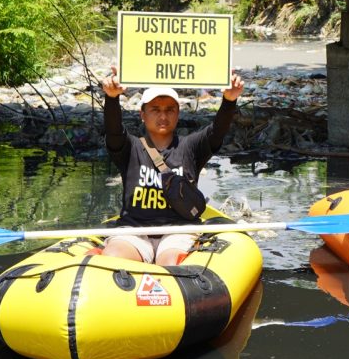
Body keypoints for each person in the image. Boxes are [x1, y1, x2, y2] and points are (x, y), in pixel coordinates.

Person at [99, 66, 244, 265]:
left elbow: (217, 131)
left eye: (170, 110)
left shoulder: (191, 147)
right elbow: (113, 131)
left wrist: (229, 100)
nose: (163, 116)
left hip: (178, 232)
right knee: (112, 258)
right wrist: (112, 98)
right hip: (135, 232)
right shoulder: (129, 147)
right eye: (155, 110)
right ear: (142, 114)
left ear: (178, 114)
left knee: (170, 264)